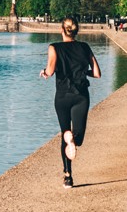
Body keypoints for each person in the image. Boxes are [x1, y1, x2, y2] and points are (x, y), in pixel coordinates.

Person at [40, 17, 101, 188]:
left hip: (62, 97)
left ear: (62, 30)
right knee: (77, 137)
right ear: (76, 31)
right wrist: (83, 73)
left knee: (64, 135)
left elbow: (50, 71)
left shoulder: (54, 47)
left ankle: (68, 176)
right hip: (81, 96)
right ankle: (73, 138)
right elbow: (97, 73)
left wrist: (44, 72)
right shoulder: (84, 47)